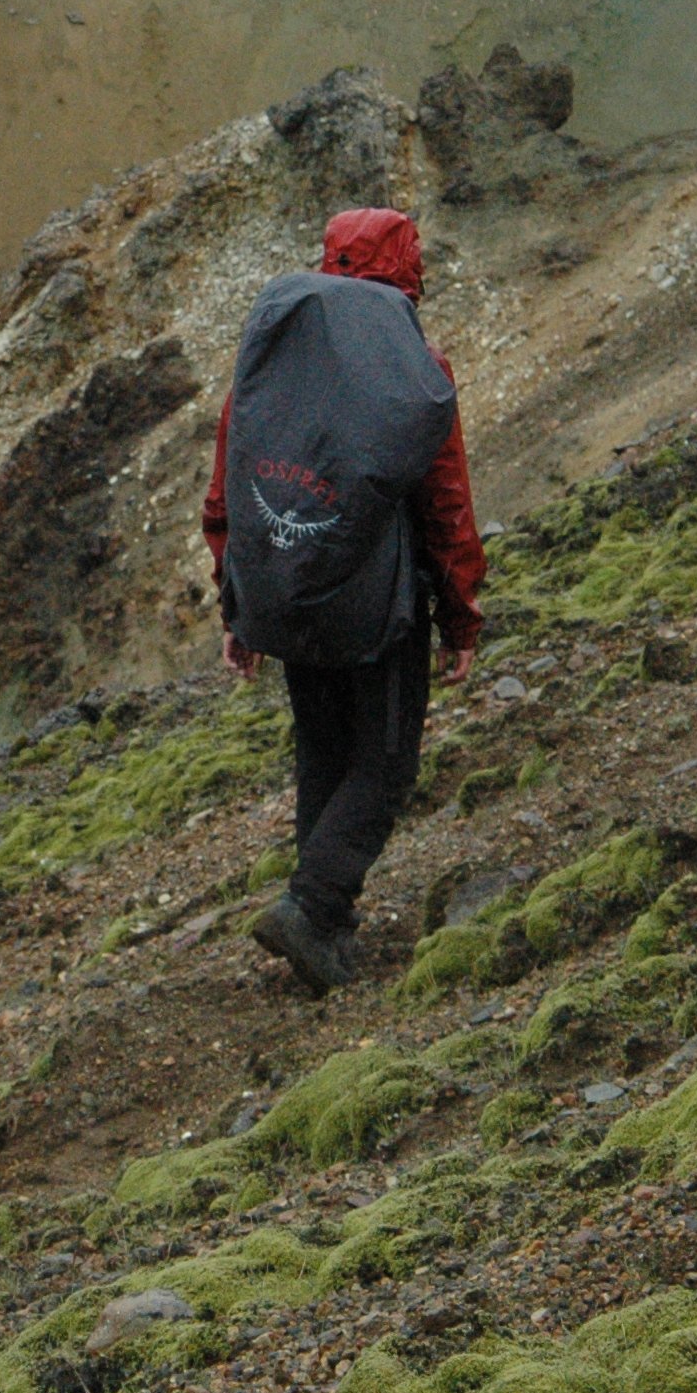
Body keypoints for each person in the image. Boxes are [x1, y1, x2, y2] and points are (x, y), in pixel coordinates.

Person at [201, 208, 483, 993]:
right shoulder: (413, 366)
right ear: (407, 270)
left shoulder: (274, 354)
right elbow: (445, 502)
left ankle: (321, 926)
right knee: (385, 761)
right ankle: (313, 907)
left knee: (324, 750)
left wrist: (237, 602)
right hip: (374, 608)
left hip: (286, 595)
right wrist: (459, 615)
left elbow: (232, 479)